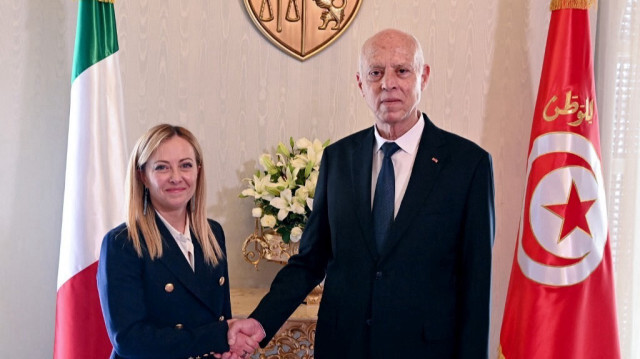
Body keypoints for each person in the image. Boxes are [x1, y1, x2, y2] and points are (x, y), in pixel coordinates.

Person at [228, 29, 495, 358]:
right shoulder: (338, 159)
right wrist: (261, 321)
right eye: (375, 73)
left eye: (402, 70)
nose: (388, 84)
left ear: (423, 76)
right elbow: (310, 260)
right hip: (344, 346)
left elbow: (476, 284)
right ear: (360, 84)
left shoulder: (468, 165)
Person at [97, 124, 260, 359]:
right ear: (142, 176)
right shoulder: (122, 243)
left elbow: (220, 319)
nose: (176, 177)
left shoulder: (213, 233)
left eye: (185, 165)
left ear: (198, 171)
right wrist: (219, 337)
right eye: (162, 167)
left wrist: (228, 347)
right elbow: (130, 340)